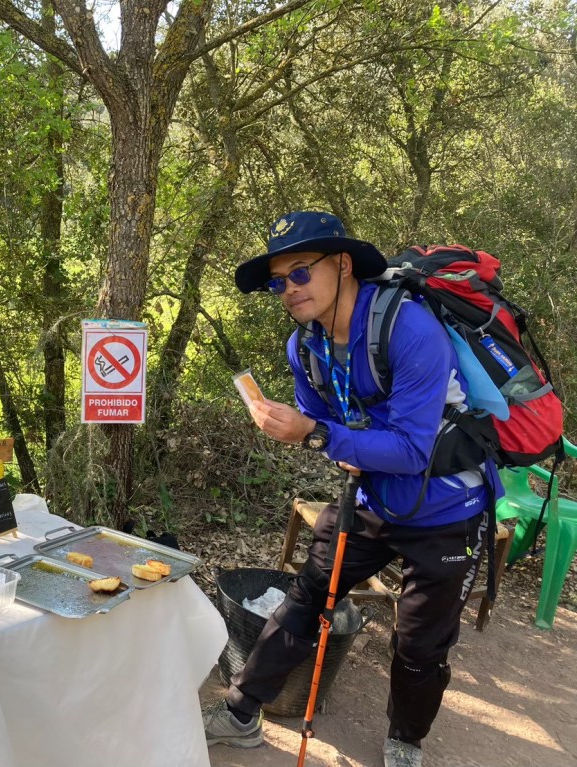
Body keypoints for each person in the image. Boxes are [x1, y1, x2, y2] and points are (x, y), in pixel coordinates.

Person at [203, 211, 501, 767]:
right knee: (305, 598)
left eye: (300, 272)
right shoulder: (304, 347)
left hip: (447, 507)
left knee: (420, 642)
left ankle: (405, 741)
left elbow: (411, 450)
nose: (289, 289)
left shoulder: (410, 330)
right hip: (369, 498)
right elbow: (326, 429)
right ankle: (241, 713)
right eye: (277, 282)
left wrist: (315, 434)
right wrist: (307, 431)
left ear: (342, 265)